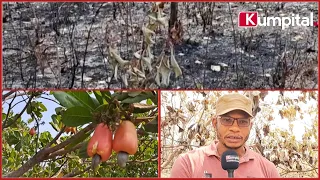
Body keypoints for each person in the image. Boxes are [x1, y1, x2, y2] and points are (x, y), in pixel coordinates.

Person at [170, 93, 280, 178]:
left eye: (242, 122)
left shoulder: (268, 170)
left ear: (250, 126)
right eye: (227, 120)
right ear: (214, 123)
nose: (235, 128)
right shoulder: (188, 163)